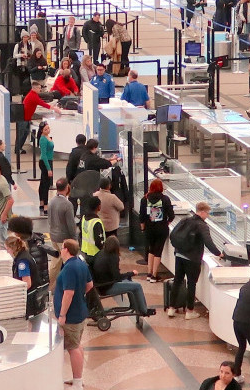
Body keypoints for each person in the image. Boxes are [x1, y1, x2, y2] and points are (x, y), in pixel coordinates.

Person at [168, 201, 220, 319]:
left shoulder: (185, 220)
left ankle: (171, 308)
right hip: (192, 258)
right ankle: (190, 311)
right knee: (191, 284)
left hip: (179, 254)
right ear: (202, 212)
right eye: (207, 213)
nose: (207, 216)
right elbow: (208, 242)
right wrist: (218, 253)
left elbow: (174, 234)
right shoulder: (202, 225)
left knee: (177, 281)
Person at [54, 239, 92, 387]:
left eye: (62, 248)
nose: (61, 250)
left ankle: (77, 383)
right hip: (80, 311)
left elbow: (68, 293)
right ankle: (78, 379)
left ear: (66, 250)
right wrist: (80, 295)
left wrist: (62, 314)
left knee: (73, 348)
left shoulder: (69, 268)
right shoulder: (80, 263)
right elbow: (90, 285)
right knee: (77, 345)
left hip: (71, 316)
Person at [90, 236, 155, 316]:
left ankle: (136, 307)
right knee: (137, 286)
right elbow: (117, 277)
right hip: (108, 287)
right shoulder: (113, 257)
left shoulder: (101, 253)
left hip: (100, 285)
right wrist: (131, 273)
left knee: (130, 283)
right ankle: (144, 310)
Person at [139, 178, 174, 281]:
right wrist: (167, 222)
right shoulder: (165, 199)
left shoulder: (145, 199)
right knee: (158, 251)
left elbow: (142, 216)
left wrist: (143, 228)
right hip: (161, 228)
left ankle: (149, 273)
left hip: (149, 229)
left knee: (151, 250)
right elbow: (171, 215)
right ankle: (154, 275)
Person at [36, 123, 54, 211]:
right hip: (45, 162)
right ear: (42, 130)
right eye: (45, 129)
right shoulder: (43, 139)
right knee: (46, 184)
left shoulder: (47, 137)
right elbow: (43, 155)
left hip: (49, 161)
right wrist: (48, 169)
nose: (48, 130)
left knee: (43, 182)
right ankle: (45, 204)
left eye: (48, 128)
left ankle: (42, 202)